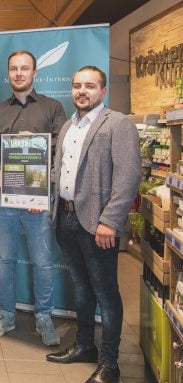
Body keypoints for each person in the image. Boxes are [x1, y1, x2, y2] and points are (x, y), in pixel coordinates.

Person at [46, 66, 141, 383]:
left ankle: (109, 364)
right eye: (76, 86)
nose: (81, 91)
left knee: (106, 292)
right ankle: (85, 345)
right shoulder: (67, 127)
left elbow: (128, 178)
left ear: (103, 91)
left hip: (98, 224)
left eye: (89, 86)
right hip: (67, 217)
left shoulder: (118, 124)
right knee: (82, 289)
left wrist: (110, 221)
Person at [0, 50, 66, 346]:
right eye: (14, 69)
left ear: (34, 73)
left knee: (42, 260)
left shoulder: (52, 108)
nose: (19, 73)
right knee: (4, 258)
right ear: (8, 74)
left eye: (24, 68)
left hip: (36, 199)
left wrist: (35, 142)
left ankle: (44, 317)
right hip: (3, 198)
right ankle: (6, 314)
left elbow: (61, 150)